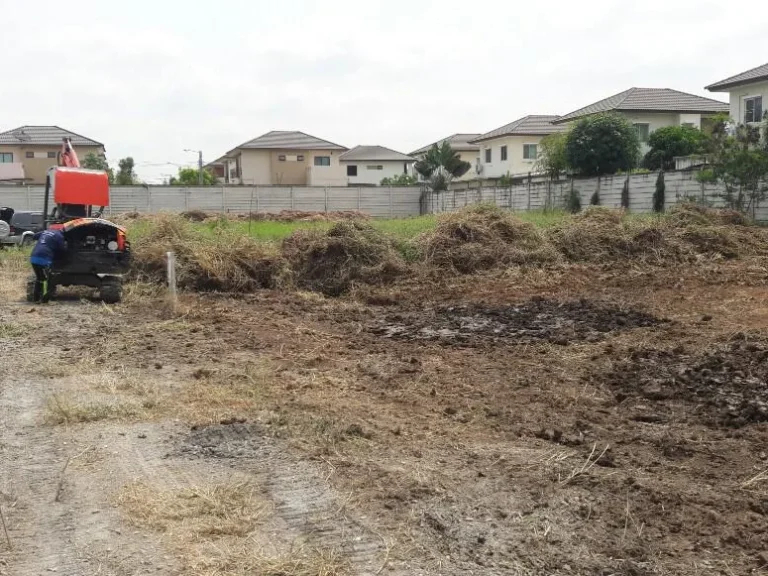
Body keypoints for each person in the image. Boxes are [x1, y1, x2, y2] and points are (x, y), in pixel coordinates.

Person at [30, 229, 66, 303]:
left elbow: (34, 236)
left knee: (40, 278)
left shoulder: (46, 231)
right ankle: (45, 299)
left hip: (33, 257)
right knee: (47, 279)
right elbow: (62, 250)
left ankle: (36, 298)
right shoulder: (60, 236)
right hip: (44, 258)